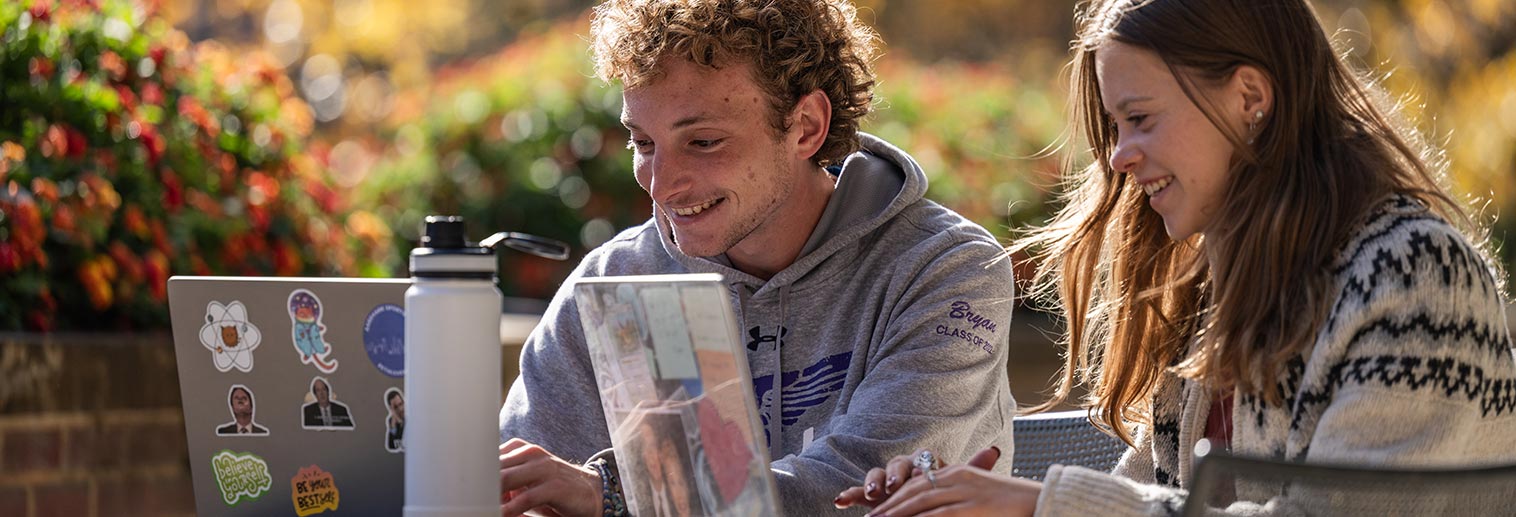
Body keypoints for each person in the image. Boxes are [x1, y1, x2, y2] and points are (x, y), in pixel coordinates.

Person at [836, 0, 1516, 515]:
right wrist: (963, 497)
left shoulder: (1418, 276)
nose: (1119, 157)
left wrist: (1041, 506)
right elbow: (1155, 498)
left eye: (1141, 118)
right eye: (1115, 125)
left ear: (1250, 98)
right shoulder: (1220, 291)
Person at [496, 0, 1018, 515]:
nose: (661, 184)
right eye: (644, 142)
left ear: (806, 127)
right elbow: (525, 489)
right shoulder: (617, 277)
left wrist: (611, 495)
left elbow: (861, 492)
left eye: (702, 141)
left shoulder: (946, 269)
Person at [385, 388, 405, 452]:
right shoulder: (392, 421)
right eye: (395, 407)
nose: (400, 409)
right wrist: (396, 423)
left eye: (401, 404)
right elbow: (392, 446)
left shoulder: (413, 417)